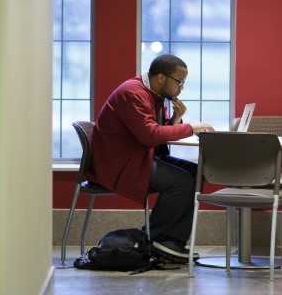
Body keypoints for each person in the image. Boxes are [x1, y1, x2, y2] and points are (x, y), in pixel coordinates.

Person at [90, 54, 214, 263]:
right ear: (160, 78)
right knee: (180, 181)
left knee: (194, 173)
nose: (181, 88)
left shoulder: (153, 95)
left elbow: (154, 134)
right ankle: (156, 240)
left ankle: (171, 241)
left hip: (137, 157)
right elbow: (149, 136)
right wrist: (190, 128)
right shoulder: (133, 93)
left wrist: (175, 120)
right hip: (120, 164)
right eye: (179, 81)